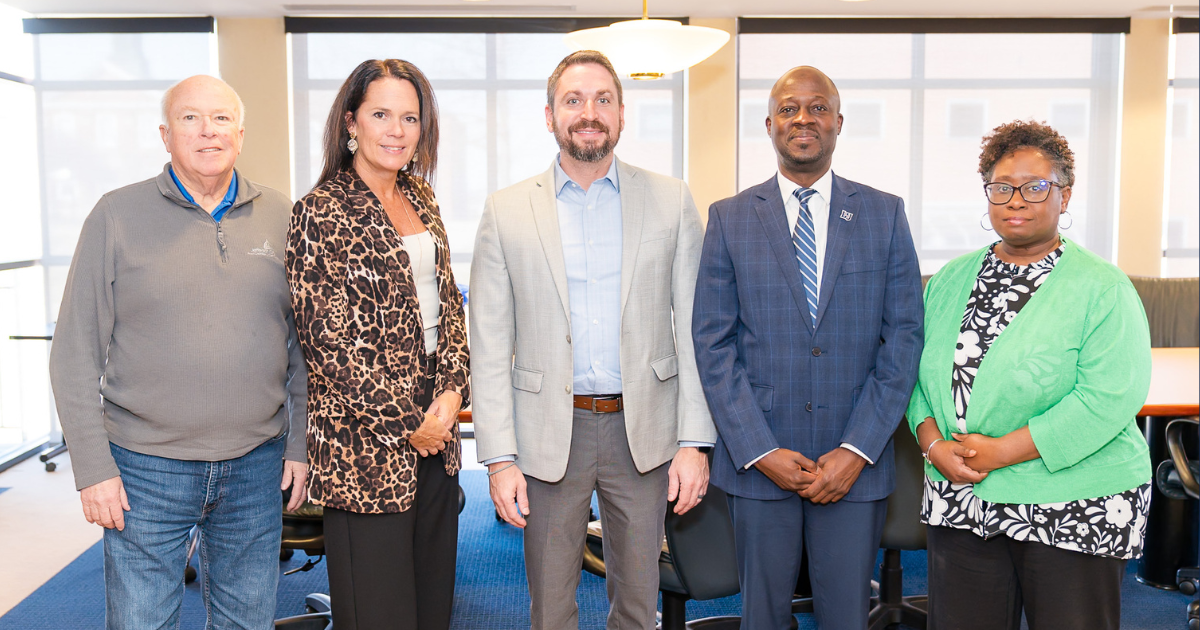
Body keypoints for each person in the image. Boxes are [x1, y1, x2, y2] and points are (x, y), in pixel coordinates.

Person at [48, 75, 308, 630]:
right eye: (190, 118)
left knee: (248, 622)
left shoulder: (282, 216)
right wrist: (93, 467)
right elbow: (73, 352)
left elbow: (303, 347)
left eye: (220, 119)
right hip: (144, 468)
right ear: (166, 135)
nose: (207, 131)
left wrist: (299, 443)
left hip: (255, 463)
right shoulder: (115, 216)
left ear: (241, 133)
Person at [470, 50, 715, 630]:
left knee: (637, 605)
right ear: (549, 115)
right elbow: (488, 340)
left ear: (622, 115)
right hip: (548, 435)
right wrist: (499, 459)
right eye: (574, 100)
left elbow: (699, 329)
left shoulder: (671, 200)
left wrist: (694, 442)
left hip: (645, 433)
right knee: (551, 608)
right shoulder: (506, 211)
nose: (589, 112)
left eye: (603, 99)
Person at [692, 65, 924, 630]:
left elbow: (904, 339)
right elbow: (713, 343)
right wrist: (758, 450)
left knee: (846, 616)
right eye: (790, 109)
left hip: (853, 464)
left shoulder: (883, 213)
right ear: (769, 125)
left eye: (817, 107)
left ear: (838, 123)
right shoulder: (728, 218)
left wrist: (858, 449)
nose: (804, 118)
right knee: (762, 618)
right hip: (759, 459)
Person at [907, 120, 1152, 630]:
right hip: (962, 497)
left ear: (1064, 195)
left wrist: (1000, 451)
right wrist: (932, 444)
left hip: (1074, 501)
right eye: (1001, 188)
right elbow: (914, 378)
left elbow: (1108, 398)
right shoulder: (950, 279)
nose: (1015, 200)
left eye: (1034, 187)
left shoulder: (1102, 287)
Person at [286, 59, 469, 630]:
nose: (396, 130)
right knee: (380, 614)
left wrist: (453, 390)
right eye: (381, 114)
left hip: (437, 432)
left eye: (410, 117)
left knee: (431, 604)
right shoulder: (319, 212)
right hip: (365, 442)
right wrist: (409, 420)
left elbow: (449, 308)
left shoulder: (422, 198)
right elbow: (328, 347)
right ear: (351, 122)